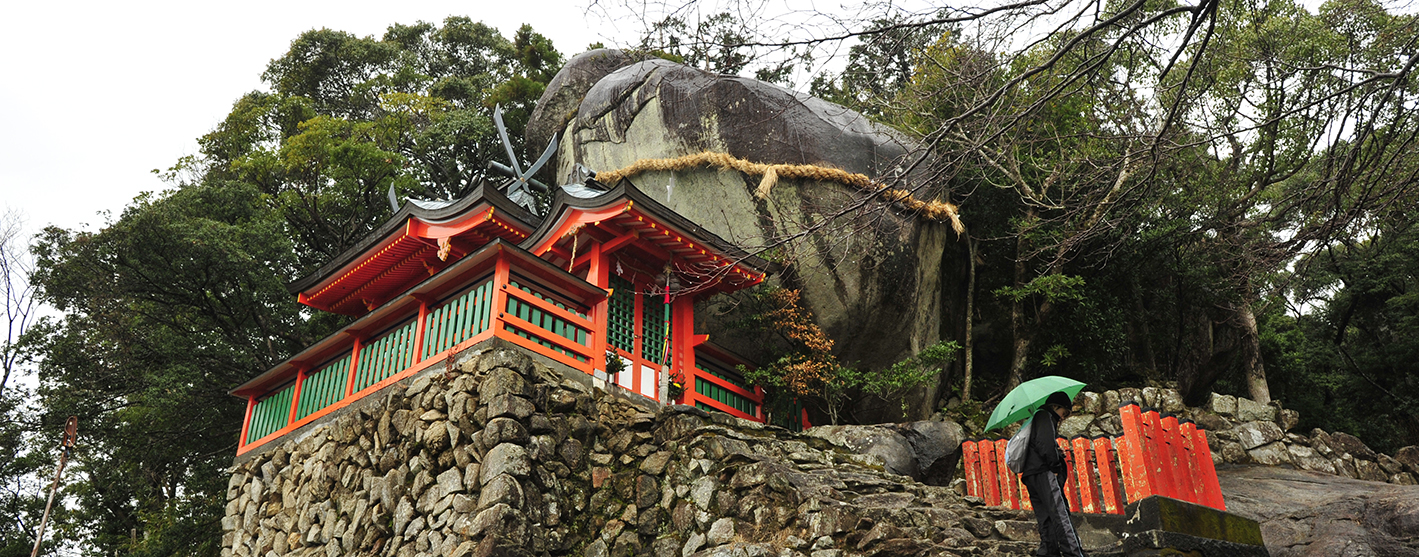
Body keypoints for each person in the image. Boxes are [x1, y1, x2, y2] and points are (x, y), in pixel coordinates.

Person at [1020, 391, 1084, 557]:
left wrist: (1055, 450)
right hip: (1043, 471)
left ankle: (1048, 552)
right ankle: (1073, 553)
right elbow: (1045, 447)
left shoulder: (1037, 418)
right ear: (1056, 406)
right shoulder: (1046, 416)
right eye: (1065, 412)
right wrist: (1055, 466)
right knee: (1059, 512)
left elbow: (1039, 444)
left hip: (1030, 473)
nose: (1064, 417)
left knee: (1045, 516)